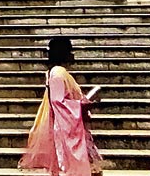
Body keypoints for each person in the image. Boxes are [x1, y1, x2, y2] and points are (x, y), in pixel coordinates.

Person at [20, 36, 104, 175]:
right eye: (70, 51)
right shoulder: (58, 73)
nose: (72, 54)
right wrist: (82, 104)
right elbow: (58, 103)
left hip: (67, 126)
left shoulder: (57, 72)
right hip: (66, 129)